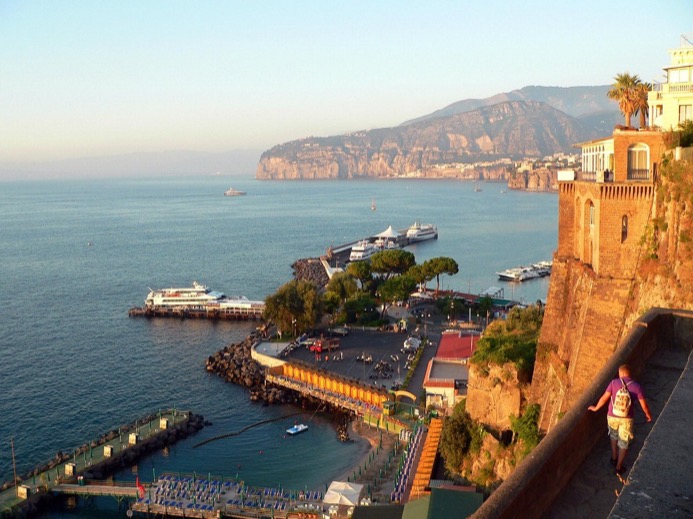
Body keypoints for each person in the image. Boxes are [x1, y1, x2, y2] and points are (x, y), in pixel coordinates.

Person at [588, 364, 653, 475]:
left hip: (612, 415)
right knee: (623, 442)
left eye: (619, 373)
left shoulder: (614, 383)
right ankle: (618, 467)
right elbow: (644, 405)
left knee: (613, 436)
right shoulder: (636, 387)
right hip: (626, 418)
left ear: (622, 373)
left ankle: (614, 457)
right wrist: (648, 414)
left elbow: (604, 398)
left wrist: (596, 408)